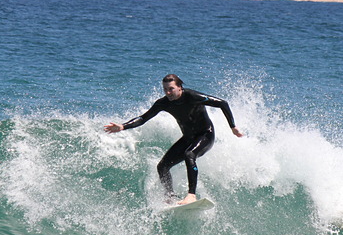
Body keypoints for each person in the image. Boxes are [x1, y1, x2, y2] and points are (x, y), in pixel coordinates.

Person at [104, 74, 244, 205]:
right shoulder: (163, 103)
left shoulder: (193, 97)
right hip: (188, 137)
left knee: (189, 154)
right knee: (162, 166)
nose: (168, 93)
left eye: (171, 89)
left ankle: (191, 195)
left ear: (179, 88)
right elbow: (143, 118)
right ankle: (170, 197)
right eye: (165, 89)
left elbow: (223, 103)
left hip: (205, 135)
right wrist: (123, 126)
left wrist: (233, 127)